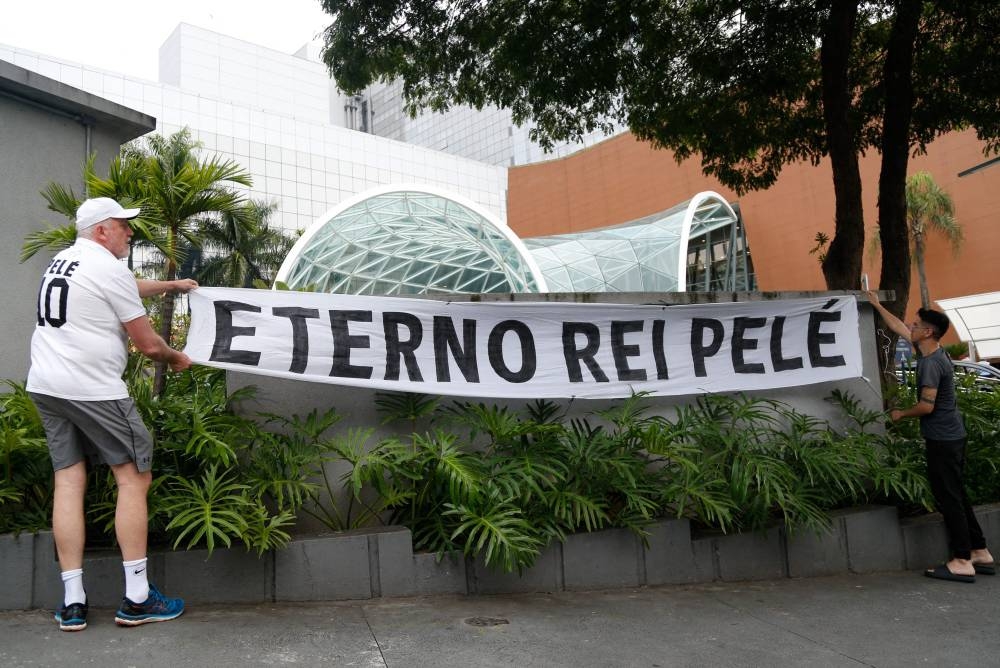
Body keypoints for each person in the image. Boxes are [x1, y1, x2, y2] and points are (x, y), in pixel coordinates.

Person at [27, 197, 197, 631]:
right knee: (134, 476)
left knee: (68, 478)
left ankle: (73, 602)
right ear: (102, 231)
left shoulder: (65, 261)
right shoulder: (107, 268)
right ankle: (137, 597)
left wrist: (171, 286)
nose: (130, 232)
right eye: (123, 225)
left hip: (47, 385)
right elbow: (150, 346)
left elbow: (121, 287)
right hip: (93, 390)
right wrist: (177, 358)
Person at [867, 291, 994, 582]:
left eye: (916, 324)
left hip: (943, 439)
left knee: (948, 498)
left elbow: (927, 405)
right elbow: (898, 327)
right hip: (952, 437)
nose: (910, 326)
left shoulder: (930, 364)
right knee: (957, 494)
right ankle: (979, 551)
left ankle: (962, 559)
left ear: (928, 332)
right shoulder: (933, 352)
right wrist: (875, 304)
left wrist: (900, 414)